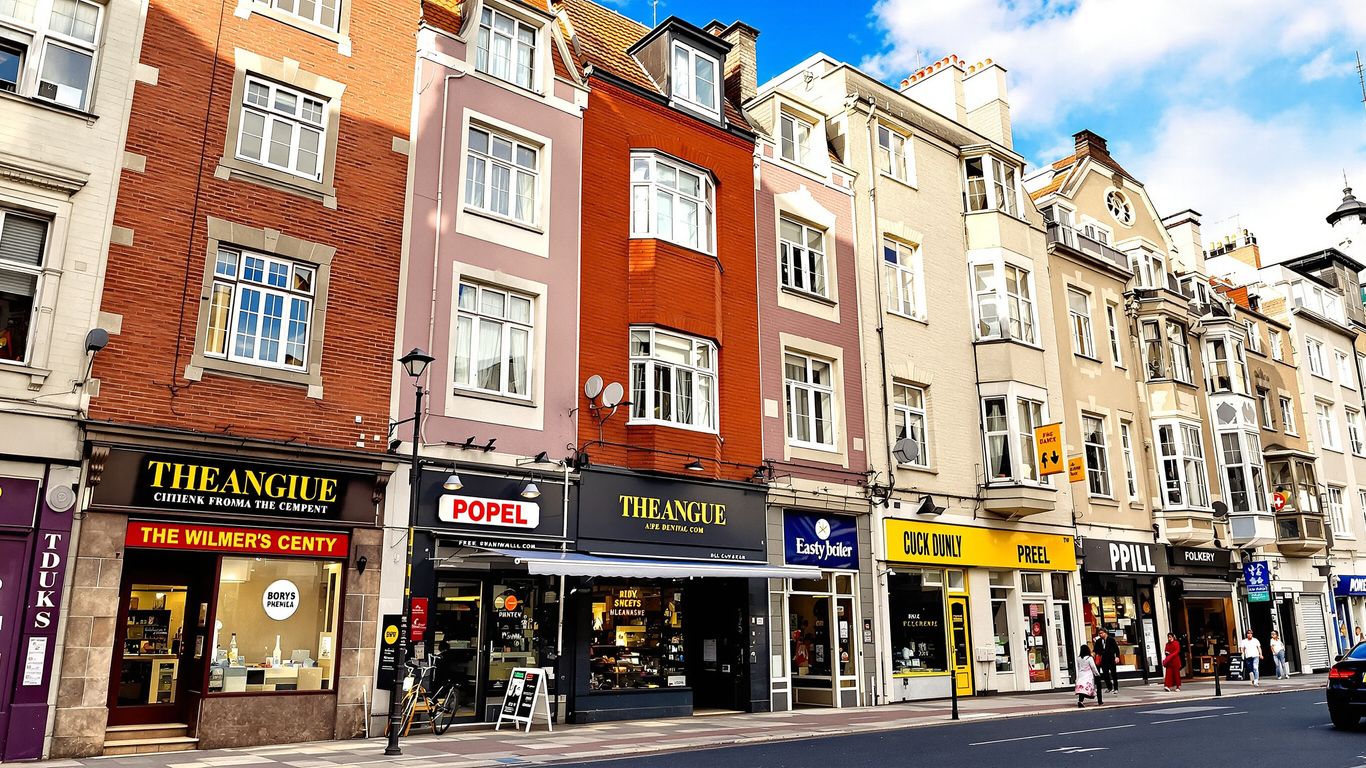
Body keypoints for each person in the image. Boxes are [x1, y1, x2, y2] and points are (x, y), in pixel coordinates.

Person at [1096, 629, 1120, 693]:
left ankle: (1116, 688)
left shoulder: (1111, 639)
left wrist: (1117, 656)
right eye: (1099, 634)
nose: (1100, 635)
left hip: (1111, 658)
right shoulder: (1098, 641)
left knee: (1113, 674)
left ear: (1105, 633)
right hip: (1103, 659)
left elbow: (1116, 649)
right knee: (1105, 674)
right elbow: (1096, 650)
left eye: (1101, 633)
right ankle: (1109, 687)